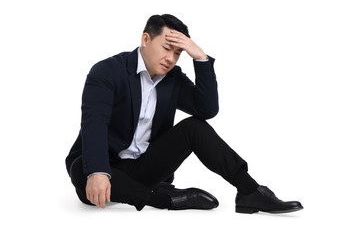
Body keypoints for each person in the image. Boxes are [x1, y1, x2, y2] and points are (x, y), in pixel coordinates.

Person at [65, 14, 303, 214]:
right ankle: (167, 199)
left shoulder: (173, 79)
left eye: (178, 53)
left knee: (194, 127)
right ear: (145, 39)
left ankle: (250, 191)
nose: (171, 58)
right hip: (109, 167)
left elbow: (206, 110)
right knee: (81, 170)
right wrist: (98, 171)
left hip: (146, 167)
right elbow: (94, 123)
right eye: (167, 48)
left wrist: (200, 57)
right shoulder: (107, 72)